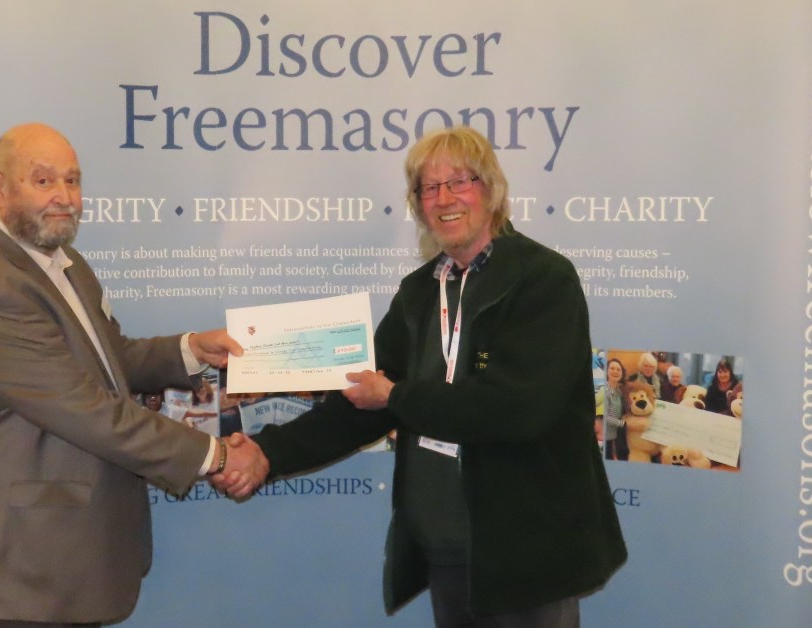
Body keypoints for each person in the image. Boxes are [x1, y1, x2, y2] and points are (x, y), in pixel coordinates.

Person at [217, 126, 626, 627]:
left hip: (526, 553)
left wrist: (396, 395)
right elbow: (361, 401)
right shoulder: (418, 293)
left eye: (459, 181)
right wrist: (267, 452)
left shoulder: (542, 281)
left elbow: (516, 410)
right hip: (445, 546)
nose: (444, 199)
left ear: (492, 189)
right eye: (428, 188)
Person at [0, 123, 267, 627]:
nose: (64, 197)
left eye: (73, 180)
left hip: (63, 565)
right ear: (0, 188)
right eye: (44, 181)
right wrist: (215, 455)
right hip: (17, 576)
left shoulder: (61, 263)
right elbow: (87, 410)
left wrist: (191, 350)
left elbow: (109, 359)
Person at [595, 358, 628, 460]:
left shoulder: (619, 392)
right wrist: (624, 423)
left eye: (618, 369)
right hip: (602, 436)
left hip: (612, 436)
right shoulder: (604, 390)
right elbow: (606, 417)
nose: (615, 371)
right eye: (612, 368)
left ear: (622, 373)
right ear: (607, 371)